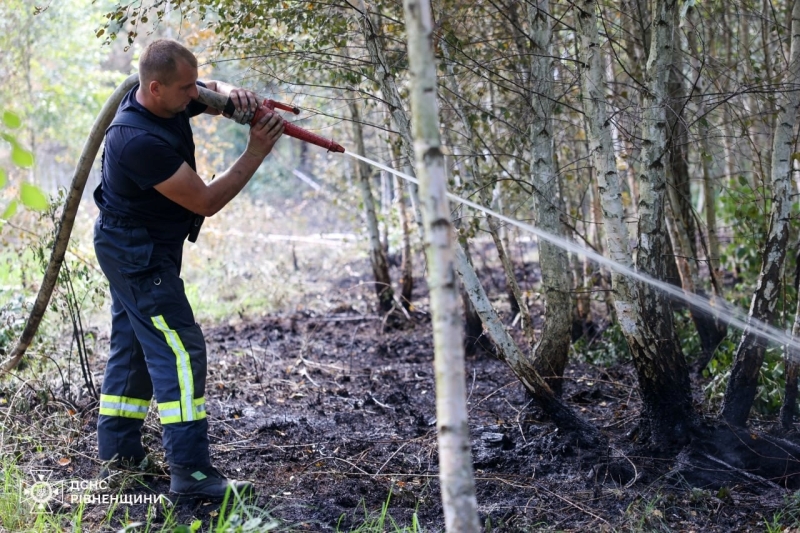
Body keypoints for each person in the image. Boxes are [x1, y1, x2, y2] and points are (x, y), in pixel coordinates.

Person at [92, 38, 284, 500]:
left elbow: (209, 90)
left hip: (135, 247)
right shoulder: (136, 140)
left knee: (137, 345)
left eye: (194, 83)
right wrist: (256, 150)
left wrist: (237, 97)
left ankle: (120, 459)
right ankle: (193, 476)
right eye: (184, 89)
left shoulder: (167, 97)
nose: (193, 95)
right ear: (155, 88)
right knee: (180, 351)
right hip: (136, 254)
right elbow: (205, 200)